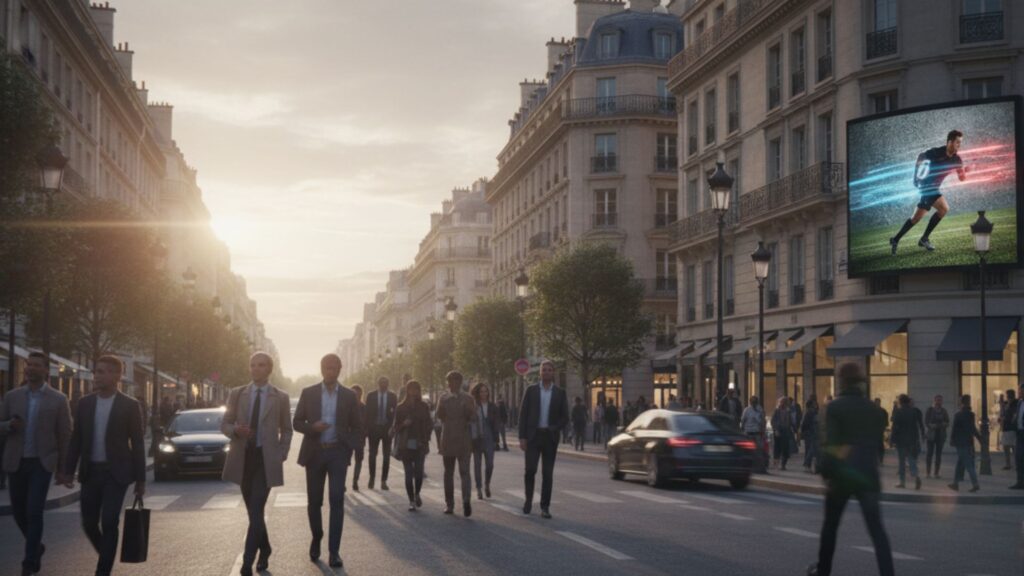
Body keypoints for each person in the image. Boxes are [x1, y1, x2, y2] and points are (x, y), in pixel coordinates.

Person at [63, 355, 146, 576]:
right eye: (96, 371)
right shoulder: (85, 403)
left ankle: (103, 571)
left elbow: (137, 443)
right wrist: (68, 470)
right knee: (89, 523)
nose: (97, 376)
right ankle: (106, 553)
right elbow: (77, 439)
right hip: (91, 472)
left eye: (102, 372)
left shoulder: (129, 405)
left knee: (109, 521)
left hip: (115, 474)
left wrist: (141, 479)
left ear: (116, 376)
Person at [808, 363, 893, 576]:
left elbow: (832, 445)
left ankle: (823, 570)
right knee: (877, 531)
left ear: (842, 381)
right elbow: (876, 440)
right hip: (869, 476)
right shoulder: (873, 408)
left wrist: (826, 472)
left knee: (831, 528)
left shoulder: (834, 407)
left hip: (842, 477)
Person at [220, 352, 293, 576]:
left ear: (269, 369)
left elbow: (287, 429)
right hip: (243, 458)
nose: (256, 369)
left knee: (257, 506)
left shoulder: (279, 396)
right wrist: (235, 431)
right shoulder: (237, 393)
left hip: (265, 459)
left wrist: (282, 452)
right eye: (252, 365)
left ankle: (246, 563)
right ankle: (266, 548)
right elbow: (224, 423)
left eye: (261, 365)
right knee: (254, 513)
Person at [0, 352, 72, 576]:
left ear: (46, 370)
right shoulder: (12, 396)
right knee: (19, 511)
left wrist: (63, 469)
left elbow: (65, 434)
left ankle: (29, 562)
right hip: (16, 461)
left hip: (42, 462)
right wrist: (9, 425)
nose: (31, 368)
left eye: (36, 365)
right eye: (29, 365)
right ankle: (37, 547)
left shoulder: (58, 399)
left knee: (34, 512)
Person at [293, 354, 362, 569]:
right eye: (327, 368)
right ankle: (317, 537)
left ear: (340, 369)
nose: (331, 371)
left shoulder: (350, 396)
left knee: (337, 501)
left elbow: (358, 427)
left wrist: (348, 449)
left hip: (337, 454)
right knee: (314, 502)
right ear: (322, 370)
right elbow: (296, 422)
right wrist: (312, 427)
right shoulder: (309, 392)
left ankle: (334, 551)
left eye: (335, 368)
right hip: (315, 453)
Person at [890, 130, 967, 254]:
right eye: (957, 142)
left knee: (916, 218)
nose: (959, 145)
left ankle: (896, 239)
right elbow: (921, 156)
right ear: (950, 142)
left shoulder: (957, 160)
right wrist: (915, 177)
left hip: (933, 188)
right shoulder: (936, 152)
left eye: (960, 143)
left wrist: (965, 170)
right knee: (942, 209)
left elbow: (962, 178)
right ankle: (924, 239)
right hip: (926, 187)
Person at [518, 360, 569, 519]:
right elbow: (523, 415)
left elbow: (565, 417)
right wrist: (522, 437)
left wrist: (554, 428)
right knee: (530, 471)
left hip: (550, 437)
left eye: (549, 370)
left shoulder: (560, 393)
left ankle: (545, 507)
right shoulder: (531, 390)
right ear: (539, 373)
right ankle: (528, 500)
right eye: (543, 370)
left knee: (547, 474)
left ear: (553, 373)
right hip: (533, 437)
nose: (546, 372)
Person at [437, 371, 475, 517]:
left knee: (464, 472)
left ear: (460, 382)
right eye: (450, 381)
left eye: (454, 381)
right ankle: (450, 503)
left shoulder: (468, 398)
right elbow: (439, 416)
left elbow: (474, 417)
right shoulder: (443, 398)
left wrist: (468, 411)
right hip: (448, 439)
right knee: (449, 473)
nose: (452, 384)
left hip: (463, 439)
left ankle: (466, 501)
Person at [392, 380, 431, 511]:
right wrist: (404, 424)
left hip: (420, 443)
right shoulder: (400, 407)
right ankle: (411, 500)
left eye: (416, 389)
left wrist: (427, 439)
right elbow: (395, 428)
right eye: (411, 389)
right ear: (407, 391)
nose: (414, 392)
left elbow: (429, 424)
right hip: (405, 444)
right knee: (408, 473)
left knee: (419, 472)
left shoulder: (424, 406)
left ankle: (417, 493)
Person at [363, 376, 397, 491]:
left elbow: (395, 414)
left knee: (386, 456)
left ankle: (383, 481)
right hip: (374, 429)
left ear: (388, 384)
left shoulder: (392, 396)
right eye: (381, 383)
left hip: (387, 430)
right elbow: (366, 413)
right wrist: (367, 429)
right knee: (372, 455)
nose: (383, 385)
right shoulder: (371, 396)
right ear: (378, 384)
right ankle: (372, 478)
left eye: (385, 383)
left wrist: (393, 427)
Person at [470, 383, 500, 500]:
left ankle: (487, 483)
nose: (484, 394)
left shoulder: (493, 407)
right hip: (477, 438)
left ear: (488, 393)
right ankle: (478, 488)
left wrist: (496, 440)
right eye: (481, 392)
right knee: (477, 465)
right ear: (478, 393)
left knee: (490, 465)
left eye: (485, 391)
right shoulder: (474, 406)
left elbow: (497, 424)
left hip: (489, 438)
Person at [948, 394, 981, 492]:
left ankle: (975, 484)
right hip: (968, 441)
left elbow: (954, 429)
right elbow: (973, 428)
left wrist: (952, 439)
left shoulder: (958, 414)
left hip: (960, 442)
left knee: (968, 464)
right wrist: (979, 438)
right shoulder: (971, 414)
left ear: (961, 402)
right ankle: (955, 483)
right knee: (960, 463)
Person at [891, 394, 924, 490]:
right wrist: (918, 438)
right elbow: (917, 426)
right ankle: (916, 476)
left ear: (900, 401)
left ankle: (902, 482)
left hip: (901, 441)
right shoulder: (913, 412)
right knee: (912, 460)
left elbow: (895, 427)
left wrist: (892, 440)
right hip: (912, 440)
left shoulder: (898, 412)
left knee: (901, 462)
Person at [924, 394, 950, 478]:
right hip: (931, 435)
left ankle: (936, 473)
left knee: (938, 455)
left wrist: (944, 424)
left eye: (940, 400)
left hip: (940, 435)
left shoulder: (944, 411)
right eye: (937, 400)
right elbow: (926, 421)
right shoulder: (930, 410)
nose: (939, 402)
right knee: (929, 454)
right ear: (934, 401)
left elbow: (947, 421)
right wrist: (931, 425)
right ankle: (928, 473)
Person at [741, 395, 767, 473]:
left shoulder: (760, 410)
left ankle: (760, 468)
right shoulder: (747, 410)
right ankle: (748, 467)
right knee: (748, 451)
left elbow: (763, 421)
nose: (753, 403)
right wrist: (742, 430)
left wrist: (763, 431)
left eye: (755, 402)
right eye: (752, 402)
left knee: (759, 451)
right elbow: (743, 420)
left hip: (757, 433)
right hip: (749, 432)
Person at [349, 385, 367, 491]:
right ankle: (342, 482)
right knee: (345, 461)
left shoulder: (364, 407)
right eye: (354, 393)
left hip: (360, 438)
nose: (356, 395)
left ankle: (355, 481)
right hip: (348, 437)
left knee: (359, 460)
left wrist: (365, 432)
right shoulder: (346, 407)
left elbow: (367, 422)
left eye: (358, 393)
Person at [771, 397, 793, 470]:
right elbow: (773, 421)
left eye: (784, 402)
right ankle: (776, 463)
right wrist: (776, 430)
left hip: (786, 431)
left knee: (785, 448)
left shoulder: (788, 411)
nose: (782, 404)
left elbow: (790, 421)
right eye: (781, 402)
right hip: (778, 430)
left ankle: (783, 465)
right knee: (777, 448)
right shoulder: (776, 411)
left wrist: (792, 428)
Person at [1009, 384, 1024, 490]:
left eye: (1020, 390)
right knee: (1018, 458)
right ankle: (1020, 482)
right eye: (1019, 390)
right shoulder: (1020, 403)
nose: (1019, 392)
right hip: (1019, 433)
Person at [800, 398, 820, 474]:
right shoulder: (810, 412)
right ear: (811, 405)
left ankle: (809, 465)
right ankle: (807, 465)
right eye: (815, 404)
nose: (816, 405)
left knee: (811, 450)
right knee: (811, 450)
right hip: (810, 434)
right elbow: (805, 424)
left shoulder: (812, 412)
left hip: (812, 433)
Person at [1000, 389, 1017, 471]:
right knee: (1006, 447)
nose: (1008, 397)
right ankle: (1008, 464)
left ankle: (1015, 464)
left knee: (1014, 447)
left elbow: (1012, 415)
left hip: (1012, 428)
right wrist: (1002, 405)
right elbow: (1002, 413)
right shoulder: (1006, 404)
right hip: (1006, 428)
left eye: (1008, 395)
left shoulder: (1016, 403)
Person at [874, 398, 888, 465]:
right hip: (873, 431)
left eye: (878, 402)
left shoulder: (883, 411)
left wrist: (884, 428)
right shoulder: (872, 411)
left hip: (879, 431)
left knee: (880, 446)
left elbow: (886, 421)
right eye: (876, 402)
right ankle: (876, 460)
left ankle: (880, 460)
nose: (877, 403)